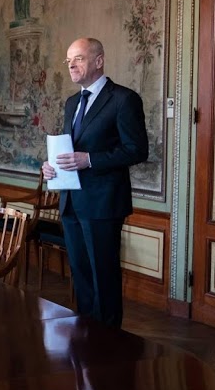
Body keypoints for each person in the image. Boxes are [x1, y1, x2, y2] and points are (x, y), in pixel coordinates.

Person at [42, 38, 148, 328]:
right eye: (68, 60)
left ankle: (109, 342)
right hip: (72, 202)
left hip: (103, 204)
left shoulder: (123, 100)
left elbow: (137, 150)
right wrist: (51, 165)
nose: (71, 65)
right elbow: (69, 149)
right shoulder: (72, 102)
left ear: (99, 61)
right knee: (81, 273)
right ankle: (88, 336)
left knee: (104, 274)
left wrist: (89, 160)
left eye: (78, 58)